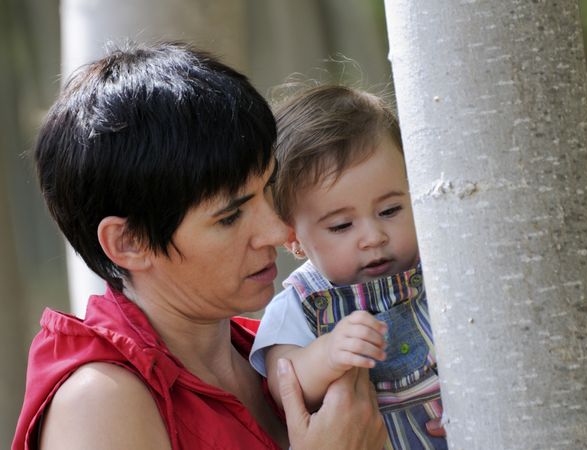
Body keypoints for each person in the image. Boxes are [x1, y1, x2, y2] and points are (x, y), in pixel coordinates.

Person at [12, 42, 387, 450]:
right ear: (129, 242)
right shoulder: (100, 398)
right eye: (230, 216)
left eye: (269, 189)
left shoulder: (280, 350)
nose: (279, 232)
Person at [249, 85, 447, 449]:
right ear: (292, 236)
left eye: (390, 211)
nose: (373, 237)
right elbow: (284, 381)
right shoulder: (303, 302)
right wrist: (327, 353)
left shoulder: (440, 267)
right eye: (341, 226)